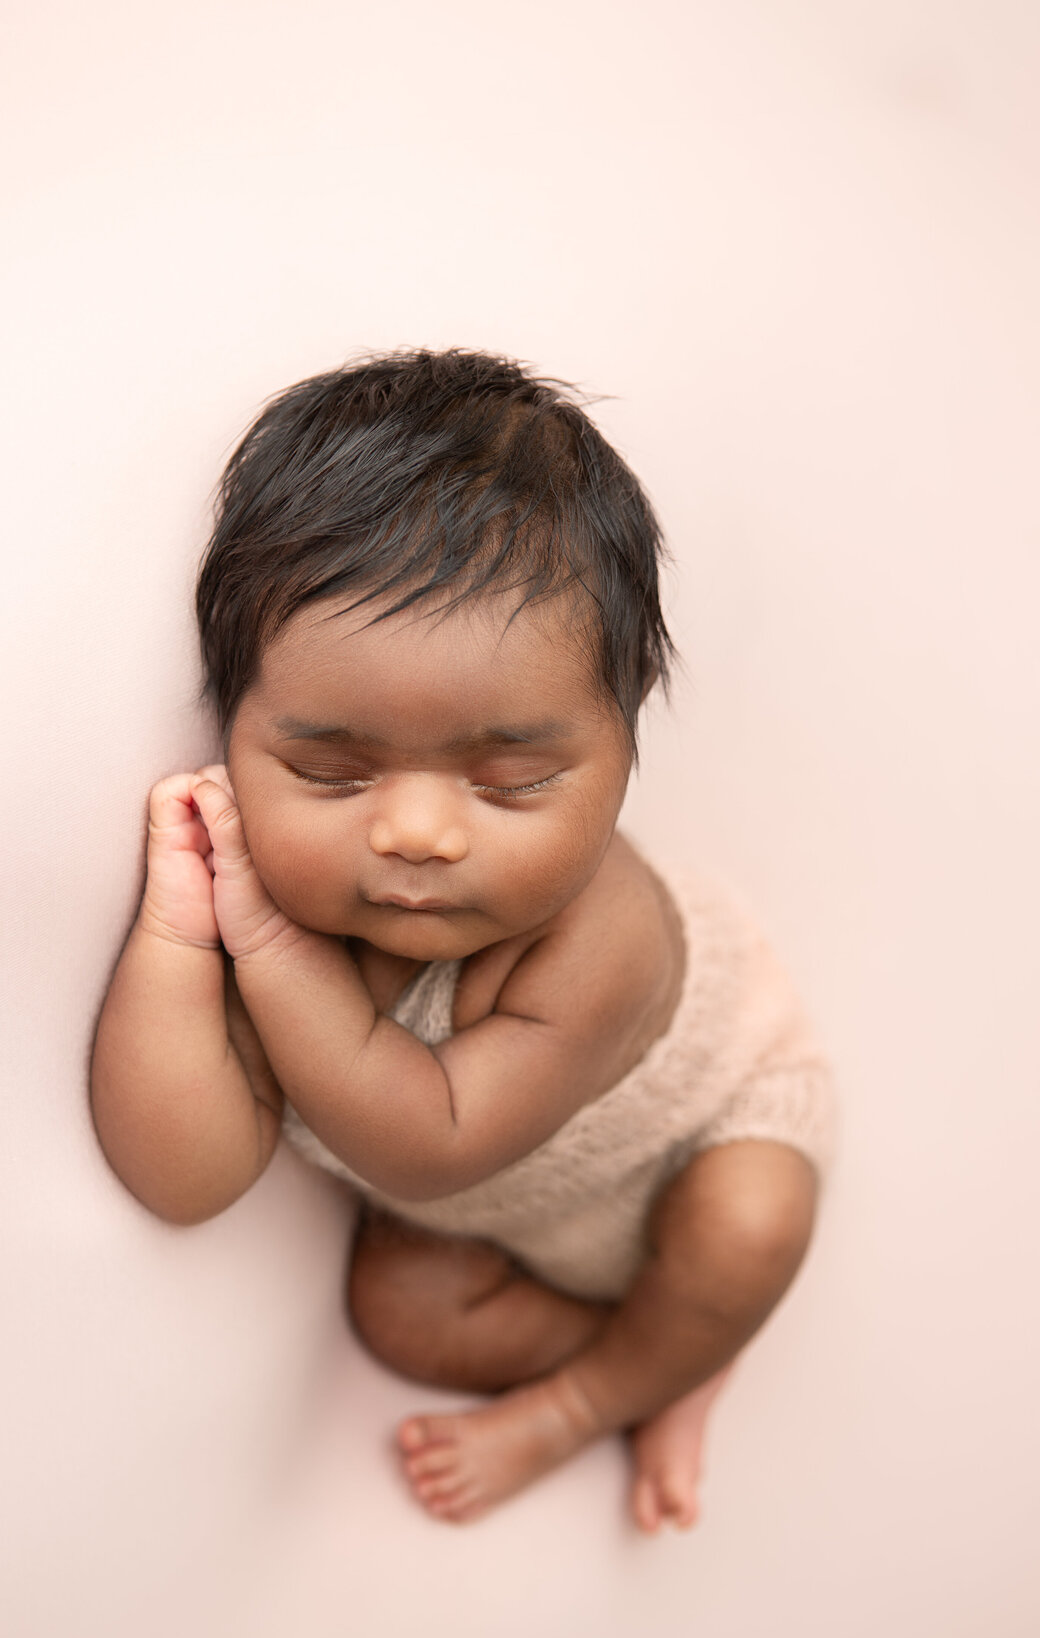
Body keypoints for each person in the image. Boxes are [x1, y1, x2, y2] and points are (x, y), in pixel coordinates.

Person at [89, 348, 836, 1532]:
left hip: (694, 1139)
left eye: (516, 780)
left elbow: (431, 1143)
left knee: (749, 1226)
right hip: (499, 1222)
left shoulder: (600, 937)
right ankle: (665, 1355)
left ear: (627, 731)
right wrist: (180, 938)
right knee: (399, 1312)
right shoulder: (290, 907)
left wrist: (271, 956)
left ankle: (588, 1400)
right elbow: (183, 1176)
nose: (419, 833)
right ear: (231, 727)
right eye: (329, 772)